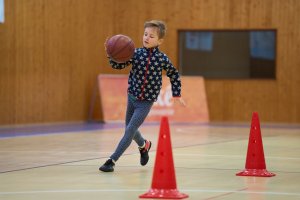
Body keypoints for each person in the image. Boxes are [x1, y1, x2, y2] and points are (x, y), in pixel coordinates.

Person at [99, 20, 186, 172]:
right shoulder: (135, 53)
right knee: (129, 128)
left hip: (145, 102)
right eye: (145, 34)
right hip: (132, 97)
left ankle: (112, 160)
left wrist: (176, 94)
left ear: (160, 40)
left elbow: (174, 74)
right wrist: (111, 55)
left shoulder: (162, 59)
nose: (146, 38)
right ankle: (144, 145)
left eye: (151, 36)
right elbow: (119, 65)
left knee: (130, 129)